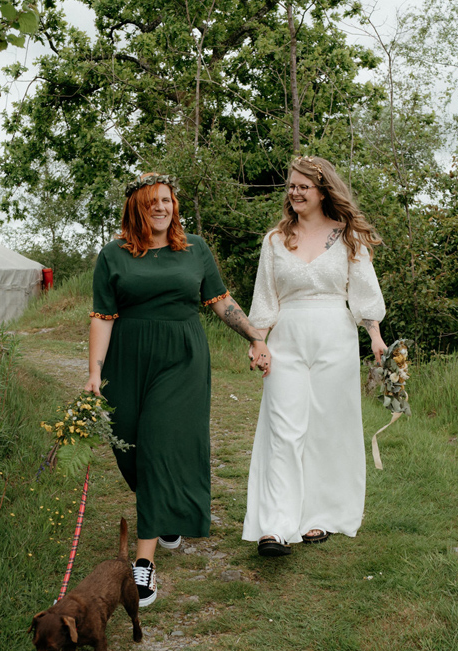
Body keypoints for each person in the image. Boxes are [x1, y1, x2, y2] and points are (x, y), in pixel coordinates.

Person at [86, 173, 271, 605]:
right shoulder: (113, 255)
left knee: (159, 445)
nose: (161, 208)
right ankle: (165, 507)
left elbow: (221, 300)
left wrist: (255, 336)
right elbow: (101, 316)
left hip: (182, 358)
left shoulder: (195, 249)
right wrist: (94, 373)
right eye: (152, 202)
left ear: (175, 205)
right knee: (128, 447)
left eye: (167, 201)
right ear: (136, 208)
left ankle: (144, 565)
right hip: (127, 360)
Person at [243, 155, 387, 557]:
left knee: (326, 427)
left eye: (303, 186)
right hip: (287, 338)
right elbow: (265, 298)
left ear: (323, 191)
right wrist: (259, 340)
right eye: (291, 186)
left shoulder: (347, 237)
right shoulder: (275, 240)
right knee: (284, 428)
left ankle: (318, 516)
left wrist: (374, 335)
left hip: (335, 338)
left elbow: (363, 291)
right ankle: (274, 526)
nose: (295, 192)